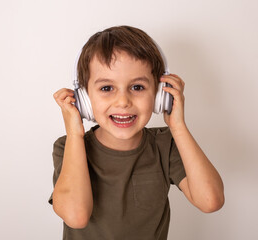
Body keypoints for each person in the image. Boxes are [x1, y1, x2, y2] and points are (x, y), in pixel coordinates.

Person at [49, 25, 224, 240]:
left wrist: (178, 126)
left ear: (160, 94)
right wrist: (75, 134)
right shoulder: (68, 147)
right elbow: (76, 216)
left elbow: (210, 201)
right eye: (106, 88)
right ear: (84, 98)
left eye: (138, 87)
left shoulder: (165, 145)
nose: (123, 102)